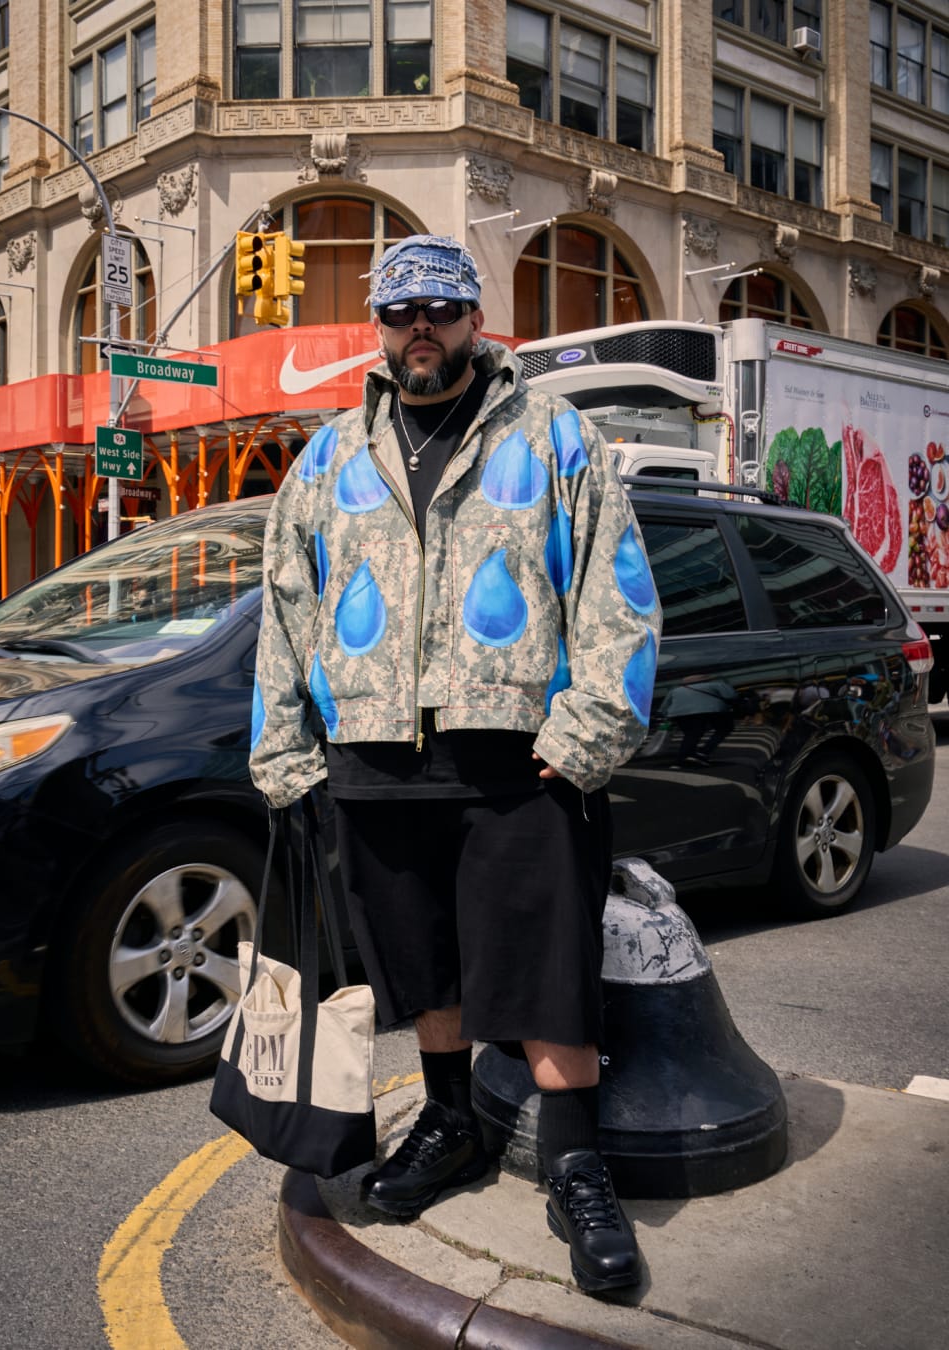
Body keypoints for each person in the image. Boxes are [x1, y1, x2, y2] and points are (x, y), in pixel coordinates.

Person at [249, 235, 661, 1295]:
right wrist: (286, 753)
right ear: (379, 330)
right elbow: (285, 612)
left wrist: (582, 742)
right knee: (422, 962)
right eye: (399, 313)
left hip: (523, 761)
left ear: (477, 319)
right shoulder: (330, 458)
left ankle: (575, 1160)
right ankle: (449, 1122)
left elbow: (618, 598)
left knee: (550, 973)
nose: (419, 327)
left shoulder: (557, 435)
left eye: (440, 307)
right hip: (377, 760)